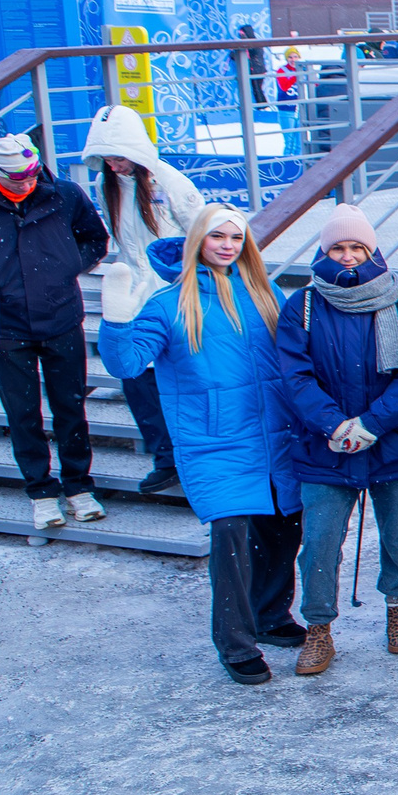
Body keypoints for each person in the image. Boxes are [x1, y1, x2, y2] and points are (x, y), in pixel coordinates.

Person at [97, 207, 302, 685]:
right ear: (197, 240)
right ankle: (236, 643)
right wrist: (116, 319)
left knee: (284, 530)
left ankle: (271, 615)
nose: (227, 245)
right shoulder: (169, 303)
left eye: (236, 237)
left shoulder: (264, 292)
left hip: (276, 439)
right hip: (216, 443)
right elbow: (126, 364)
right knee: (232, 540)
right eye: (217, 236)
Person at [275, 205, 398, 677]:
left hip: (391, 443)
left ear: (371, 250)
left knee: (396, 534)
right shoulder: (302, 305)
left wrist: (371, 425)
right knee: (320, 542)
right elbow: (295, 376)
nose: (347, 256)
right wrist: (337, 426)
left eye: (356, 247)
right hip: (325, 447)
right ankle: (319, 627)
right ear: (325, 251)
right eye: (338, 248)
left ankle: (397, 609)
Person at [0, 133, 110, 527]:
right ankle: (41, 490)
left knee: (70, 406)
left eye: (30, 176)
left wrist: (66, 267)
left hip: (61, 317)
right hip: (5, 323)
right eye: (15, 179)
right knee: (22, 412)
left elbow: (95, 239)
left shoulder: (64, 193)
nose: (25, 184)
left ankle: (79, 485)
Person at [84, 104, 204, 494]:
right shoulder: (111, 187)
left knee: (181, 379)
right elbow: (124, 244)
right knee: (134, 377)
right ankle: (166, 456)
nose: (114, 165)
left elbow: (201, 232)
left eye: (118, 157)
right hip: (135, 295)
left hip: (173, 293)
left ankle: (191, 459)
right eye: (107, 159)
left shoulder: (170, 183)